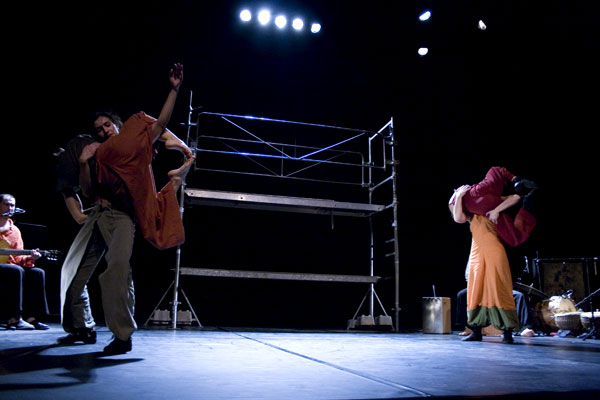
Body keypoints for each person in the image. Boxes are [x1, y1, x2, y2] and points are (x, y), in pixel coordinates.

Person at [57, 63, 194, 355]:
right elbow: (88, 190)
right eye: (99, 129)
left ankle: (122, 336)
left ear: (117, 124)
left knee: (117, 271)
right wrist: (84, 163)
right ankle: (82, 327)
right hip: (97, 216)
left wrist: (174, 89)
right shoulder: (98, 153)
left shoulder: (134, 142)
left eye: (108, 125)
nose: (104, 131)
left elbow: (159, 126)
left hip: (121, 218)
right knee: (74, 276)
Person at [449, 184, 521, 343]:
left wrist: (496, 210)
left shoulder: (493, 203)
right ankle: (476, 331)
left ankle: (507, 333)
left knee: (499, 288)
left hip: (495, 250)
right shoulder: (470, 214)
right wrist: (459, 195)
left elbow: (515, 197)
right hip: (476, 252)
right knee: (475, 290)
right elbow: (456, 216)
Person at [0, 194, 49, 330]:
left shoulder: (14, 231)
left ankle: (32, 317)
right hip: (8, 269)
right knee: (15, 271)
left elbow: (18, 258)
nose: (10, 208)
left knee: (37, 272)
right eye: (7, 204)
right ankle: (14, 318)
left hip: (9, 267)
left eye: (12, 205)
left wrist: (30, 258)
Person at [459, 166, 538, 247]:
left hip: (479, 204)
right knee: (496, 170)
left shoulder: (469, 205)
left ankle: (529, 200)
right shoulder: (493, 198)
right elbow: (516, 197)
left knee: (514, 239)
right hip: (479, 193)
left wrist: (458, 196)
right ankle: (516, 181)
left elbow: (458, 219)